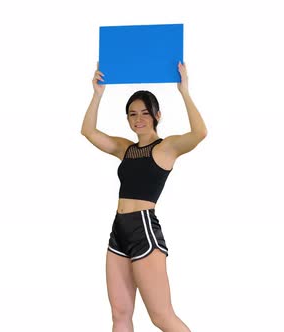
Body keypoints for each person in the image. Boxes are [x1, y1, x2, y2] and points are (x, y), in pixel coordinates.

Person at [80, 61, 207, 332]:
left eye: (145, 113)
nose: (138, 119)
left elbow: (200, 133)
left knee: (161, 316)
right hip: (119, 230)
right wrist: (97, 94)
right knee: (120, 315)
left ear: (157, 115)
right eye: (132, 114)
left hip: (144, 230)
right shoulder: (125, 148)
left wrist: (184, 91)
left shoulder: (167, 148)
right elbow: (88, 132)